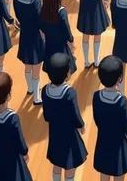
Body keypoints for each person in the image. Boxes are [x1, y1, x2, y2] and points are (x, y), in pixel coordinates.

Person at [42, 53, 87, 181]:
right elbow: (75, 114)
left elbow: (46, 115)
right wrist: (81, 125)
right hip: (69, 134)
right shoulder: (69, 92)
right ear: (66, 74)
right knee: (70, 165)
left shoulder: (45, 90)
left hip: (54, 132)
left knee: (57, 162)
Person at [92, 55, 127, 180]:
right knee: (119, 172)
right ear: (119, 79)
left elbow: (97, 118)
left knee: (104, 171)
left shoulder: (96, 96)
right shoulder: (121, 100)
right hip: (118, 143)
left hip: (103, 140)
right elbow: (126, 124)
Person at [0, 72, 32, 181]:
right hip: (12, 159)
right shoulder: (12, 118)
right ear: (8, 95)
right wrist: (24, 153)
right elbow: (20, 141)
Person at [13, 0, 44, 106]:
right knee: (36, 65)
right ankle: (37, 97)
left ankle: (30, 89)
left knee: (27, 64)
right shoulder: (35, 0)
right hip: (36, 36)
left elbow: (18, 15)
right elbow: (40, 21)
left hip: (24, 34)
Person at [40, 0, 76, 74]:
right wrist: (71, 41)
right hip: (61, 46)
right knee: (64, 72)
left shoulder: (42, 9)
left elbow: (41, 27)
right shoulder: (61, 11)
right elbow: (67, 31)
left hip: (49, 45)